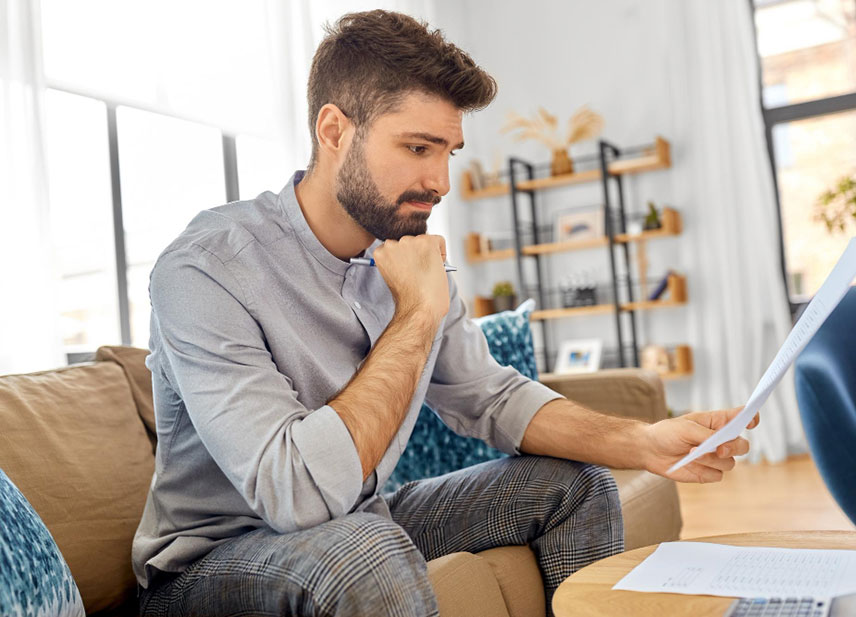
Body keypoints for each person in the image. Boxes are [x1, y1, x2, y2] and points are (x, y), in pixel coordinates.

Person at [132, 9, 759, 617]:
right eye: (416, 147)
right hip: (214, 563)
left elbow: (490, 398)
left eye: (448, 153)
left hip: (361, 519)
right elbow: (293, 493)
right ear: (333, 131)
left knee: (577, 486)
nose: (440, 182)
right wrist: (415, 317)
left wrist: (643, 441)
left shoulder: (404, 254)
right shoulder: (206, 270)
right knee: (361, 550)